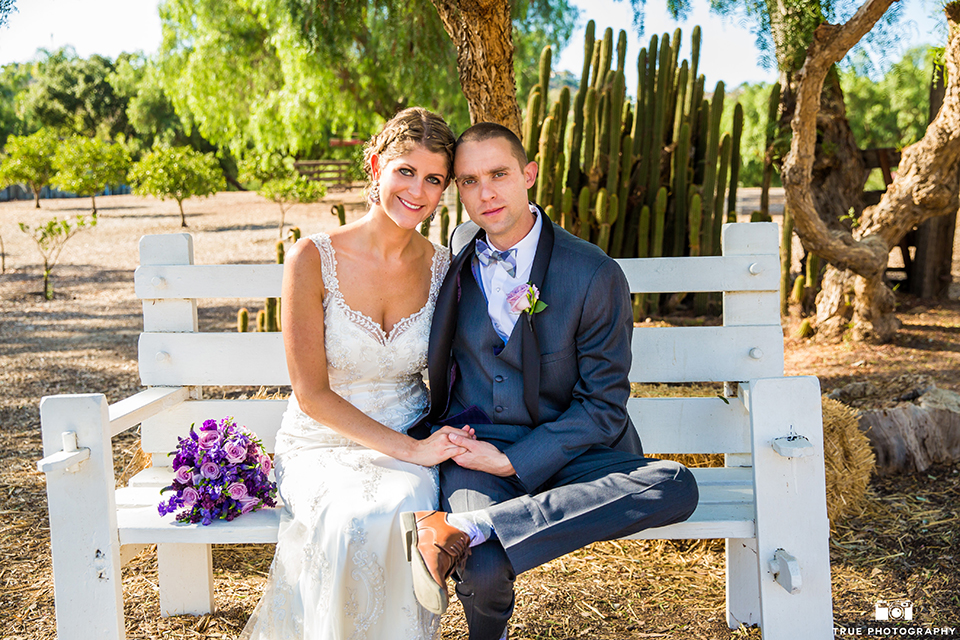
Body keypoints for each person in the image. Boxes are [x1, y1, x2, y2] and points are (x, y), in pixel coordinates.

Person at [401, 123, 701, 640]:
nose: (486, 192)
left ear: (529, 175)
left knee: (675, 485)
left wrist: (519, 460)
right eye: (470, 181)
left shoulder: (592, 272)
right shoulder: (449, 269)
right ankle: (478, 549)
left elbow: (605, 407)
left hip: (574, 452)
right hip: (478, 452)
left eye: (499, 174)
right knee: (485, 567)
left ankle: (475, 526)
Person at [241, 107, 474, 640]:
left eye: (433, 179)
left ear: (444, 191)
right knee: (348, 522)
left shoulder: (445, 268)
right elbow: (311, 393)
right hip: (321, 443)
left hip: (412, 436)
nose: (417, 190)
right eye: (405, 171)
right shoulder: (310, 258)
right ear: (375, 166)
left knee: (400, 514)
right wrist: (411, 450)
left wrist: (439, 444)